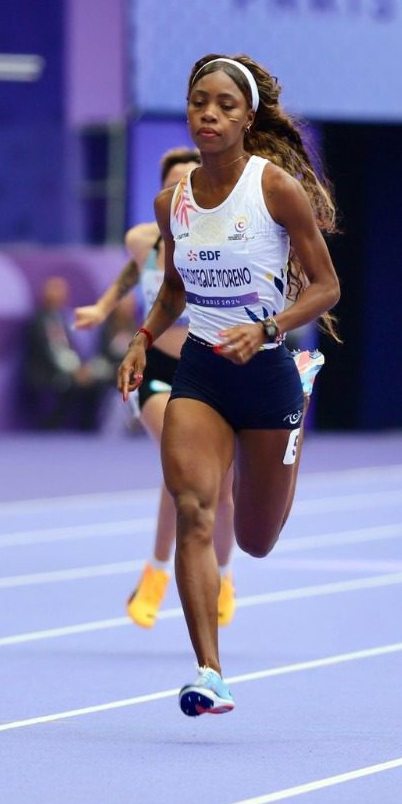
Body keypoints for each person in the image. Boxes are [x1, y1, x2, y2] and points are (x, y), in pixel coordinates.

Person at [116, 54, 339, 716]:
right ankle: (209, 670)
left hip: (267, 369)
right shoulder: (171, 204)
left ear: (246, 117)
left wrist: (271, 330)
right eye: (197, 103)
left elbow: (328, 286)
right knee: (193, 507)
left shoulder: (275, 190)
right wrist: (141, 337)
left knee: (256, 539)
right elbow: (175, 291)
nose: (207, 114)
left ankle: (293, 405)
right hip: (205, 370)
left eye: (222, 105)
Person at [76, 147, 242, 629]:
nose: (180, 192)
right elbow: (135, 269)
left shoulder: (224, 239)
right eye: (171, 183)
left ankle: (226, 578)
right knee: (182, 460)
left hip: (212, 371)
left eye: (189, 181)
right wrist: (104, 308)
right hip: (158, 372)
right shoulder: (143, 239)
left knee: (222, 489)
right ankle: (156, 573)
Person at [24, 276, 111, 430]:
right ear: (45, 294)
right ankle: (52, 426)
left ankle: (89, 427)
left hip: (67, 370)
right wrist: (76, 371)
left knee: (95, 382)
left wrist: (82, 369)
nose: (59, 295)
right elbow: (52, 353)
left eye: (62, 292)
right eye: (55, 291)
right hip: (46, 373)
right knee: (75, 382)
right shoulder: (41, 320)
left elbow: (68, 350)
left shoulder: (62, 319)